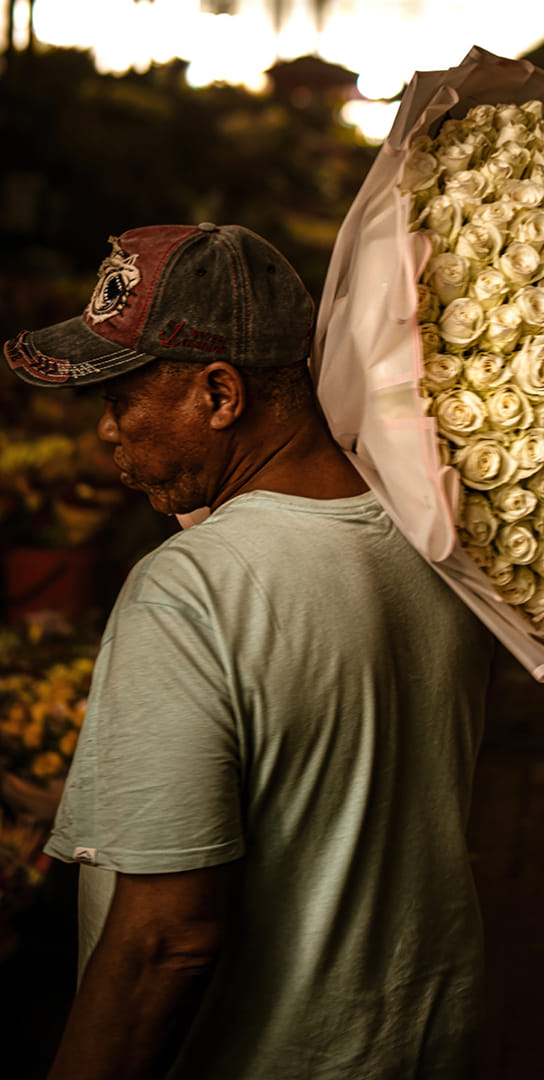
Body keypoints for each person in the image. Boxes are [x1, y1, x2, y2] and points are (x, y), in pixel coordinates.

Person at [4, 222, 494, 1079]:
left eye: (119, 400)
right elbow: (337, 777)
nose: (106, 435)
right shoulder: (425, 539)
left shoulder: (191, 588)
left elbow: (167, 941)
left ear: (220, 394)